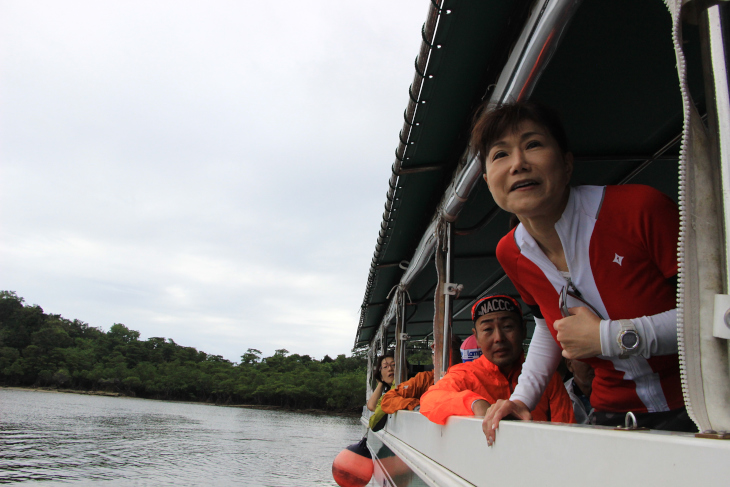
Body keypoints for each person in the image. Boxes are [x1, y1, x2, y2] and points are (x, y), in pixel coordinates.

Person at [471, 101, 693, 444]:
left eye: (533, 145)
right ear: (488, 181)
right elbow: (549, 328)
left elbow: (712, 315)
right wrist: (520, 400)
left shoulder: (640, 209)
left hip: (703, 407)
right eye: (500, 154)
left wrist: (608, 338)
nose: (518, 164)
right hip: (611, 415)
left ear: (567, 163)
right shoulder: (510, 253)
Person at [419, 295, 574, 426]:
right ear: (476, 337)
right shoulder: (465, 374)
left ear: (524, 330)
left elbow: (567, 429)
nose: (499, 338)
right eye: (487, 330)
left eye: (507, 326)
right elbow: (429, 400)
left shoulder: (546, 377)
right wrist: (474, 404)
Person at [380, 336, 462, 415]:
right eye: (434, 351)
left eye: (447, 351)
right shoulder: (424, 379)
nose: (438, 355)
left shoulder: (468, 376)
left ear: (460, 355)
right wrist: (417, 406)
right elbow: (387, 400)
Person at [564, 358, 594, 424]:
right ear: (570, 364)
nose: (594, 365)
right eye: (587, 358)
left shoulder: (615, 395)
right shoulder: (560, 396)